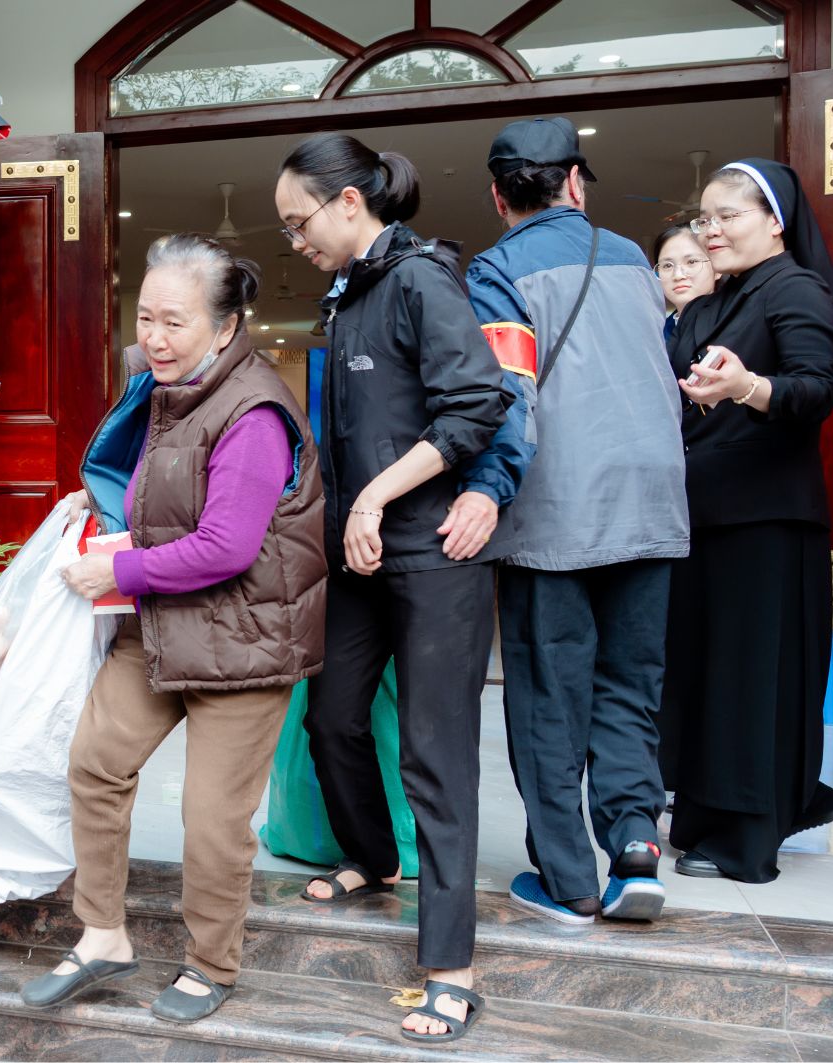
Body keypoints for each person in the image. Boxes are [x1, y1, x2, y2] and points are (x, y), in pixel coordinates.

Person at [16, 233, 325, 1025]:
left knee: (212, 820)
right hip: (161, 622)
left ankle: (212, 962)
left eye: (174, 322)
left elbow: (226, 546)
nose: (153, 336)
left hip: (245, 640)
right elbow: (158, 488)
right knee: (96, 761)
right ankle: (102, 933)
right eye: (146, 317)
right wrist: (98, 506)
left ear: (225, 328)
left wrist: (116, 571)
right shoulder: (164, 389)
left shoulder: (254, 411)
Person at [275, 133, 509, 1043]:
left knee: (435, 752)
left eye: (299, 221)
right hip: (358, 553)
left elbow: (476, 404)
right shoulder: (346, 293)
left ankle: (451, 966)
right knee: (331, 715)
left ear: (348, 201)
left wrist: (376, 494)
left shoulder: (421, 280)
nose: (295, 240)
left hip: (435, 550)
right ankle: (374, 857)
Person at [465, 117, 690, 926]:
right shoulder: (633, 260)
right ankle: (635, 847)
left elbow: (508, 394)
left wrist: (486, 490)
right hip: (651, 499)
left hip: (555, 509)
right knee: (631, 684)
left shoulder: (495, 270)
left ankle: (567, 880)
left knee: (548, 695)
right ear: (575, 183)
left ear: (499, 198)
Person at [665, 158, 833, 882]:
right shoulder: (719, 299)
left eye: (727, 216)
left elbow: (816, 388)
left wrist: (747, 386)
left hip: (765, 521)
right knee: (706, 676)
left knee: (748, 679)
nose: (711, 230)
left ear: (775, 221)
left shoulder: (793, 287)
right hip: (706, 516)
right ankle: (704, 819)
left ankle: (746, 837)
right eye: (704, 218)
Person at [653, 222, 716, 343]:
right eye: (667, 265)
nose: (678, 275)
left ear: (717, 268)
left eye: (691, 262)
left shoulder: (738, 323)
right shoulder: (656, 336)